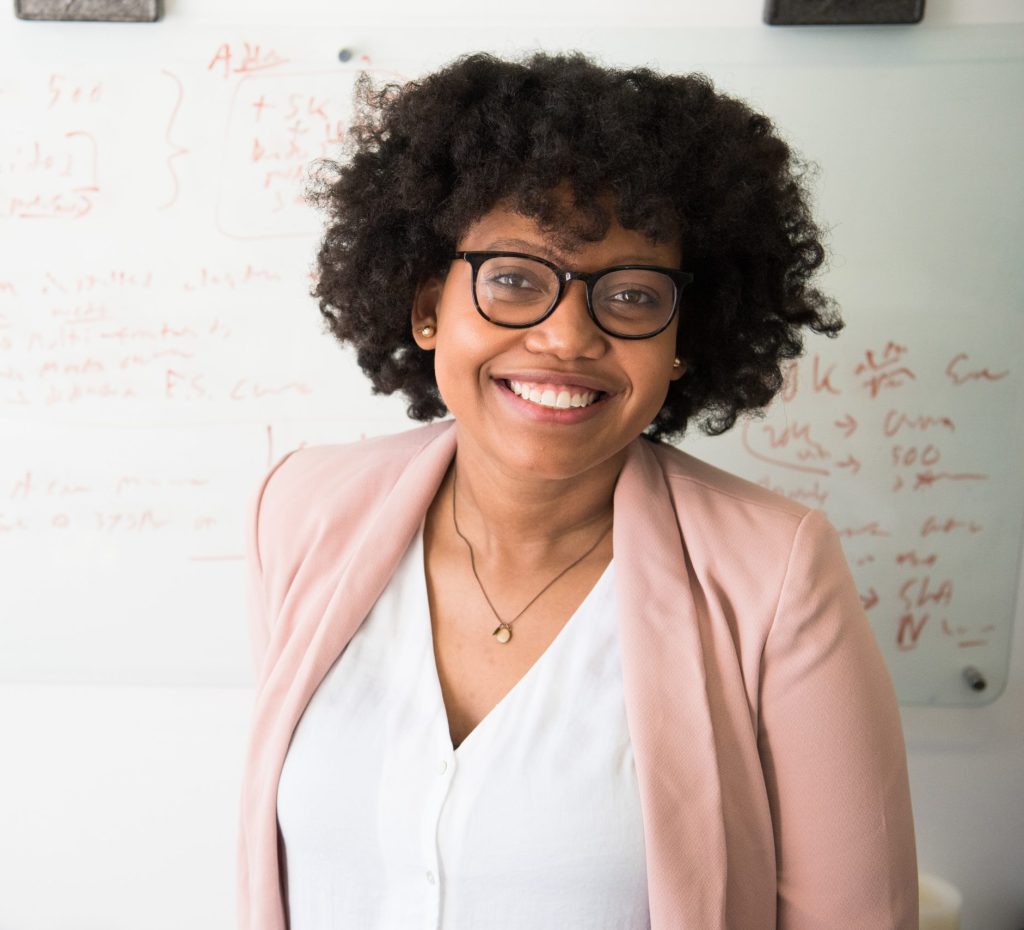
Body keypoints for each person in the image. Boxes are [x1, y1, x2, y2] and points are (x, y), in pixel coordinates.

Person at [237, 51, 918, 930]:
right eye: (516, 278)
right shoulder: (300, 511)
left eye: (631, 295)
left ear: (683, 339)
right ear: (426, 304)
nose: (566, 337)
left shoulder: (775, 574)